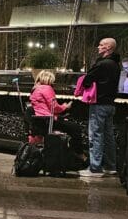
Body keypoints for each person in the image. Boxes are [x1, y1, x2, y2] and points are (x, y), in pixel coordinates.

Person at [78, 37, 121, 178]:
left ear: (108, 47)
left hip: (99, 104)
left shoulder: (102, 64)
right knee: (109, 136)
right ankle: (110, 166)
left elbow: (87, 80)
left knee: (96, 135)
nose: (98, 47)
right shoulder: (116, 65)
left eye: (101, 45)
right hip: (110, 105)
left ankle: (95, 168)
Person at [30, 70, 85, 165]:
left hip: (40, 121)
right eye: (52, 80)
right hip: (49, 120)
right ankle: (78, 153)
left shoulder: (35, 89)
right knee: (75, 128)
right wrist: (65, 106)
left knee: (69, 125)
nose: (53, 82)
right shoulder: (47, 88)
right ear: (48, 79)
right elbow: (54, 107)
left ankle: (74, 152)